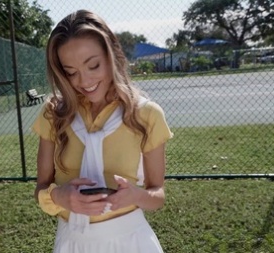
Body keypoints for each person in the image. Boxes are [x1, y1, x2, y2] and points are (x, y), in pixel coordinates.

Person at [32, 9, 173, 253]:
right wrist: (60, 197)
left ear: (112, 55)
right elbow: (41, 188)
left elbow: (157, 194)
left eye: (93, 65)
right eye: (71, 72)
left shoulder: (146, 114)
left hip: (130, 241)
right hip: (71, 242)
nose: (84, 81)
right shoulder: (54, 114)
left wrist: (135, 196)